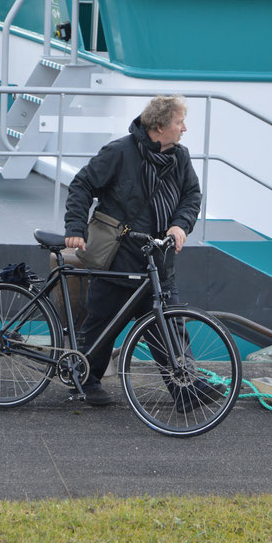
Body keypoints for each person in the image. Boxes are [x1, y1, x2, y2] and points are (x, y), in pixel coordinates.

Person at [64, 95, 208, 407]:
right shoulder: (120, 152)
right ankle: (84, 381)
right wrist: (75, 228)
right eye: (179, 123)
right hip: (119, 258)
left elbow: (191, 195)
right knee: (103, 325)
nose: (185, 128)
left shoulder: (179, 157)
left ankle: (186, 389)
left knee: (169, 324)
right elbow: (82, 185)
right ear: (158, 127)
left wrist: (181, 225)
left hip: (158, 259)